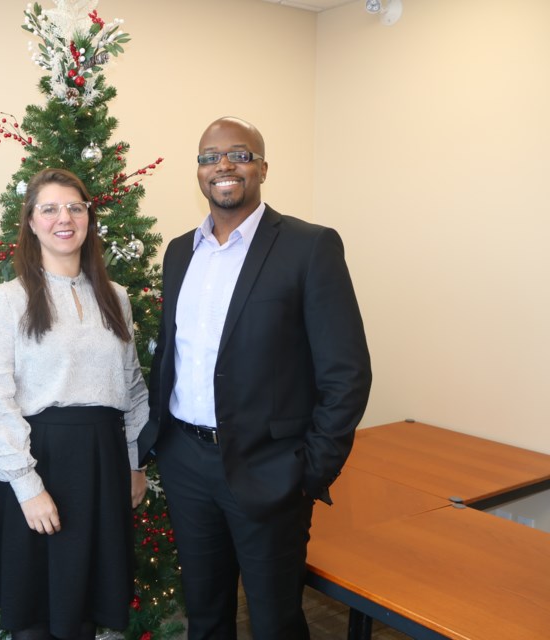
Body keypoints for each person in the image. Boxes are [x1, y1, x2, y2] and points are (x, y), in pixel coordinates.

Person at [138, 117, 372, 639]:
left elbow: (347, 372)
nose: (223, 165)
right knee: (206, 614)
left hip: (270, 469)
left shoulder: (309, 248)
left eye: (239, 154)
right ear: (198, 173)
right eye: (209, 157)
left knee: (274, 621)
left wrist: (311, 471)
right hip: (186, 463)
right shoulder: (180, 251)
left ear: (262, 167)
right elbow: (172, 356)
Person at [0, 168, 149, 640]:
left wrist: (134, 463)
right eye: (50, 208)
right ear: (30, 222)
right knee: (37, 615)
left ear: (88, 218)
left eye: (75, 207)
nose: (64, 218)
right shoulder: (11, 299)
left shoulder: (116, 298)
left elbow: (132, 387)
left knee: (85, 609)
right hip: (40, 465)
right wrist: (26, 485)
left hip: (102, 468)